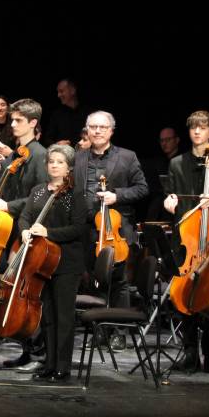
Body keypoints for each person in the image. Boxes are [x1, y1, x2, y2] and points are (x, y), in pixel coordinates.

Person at [165, 110, 209, 373]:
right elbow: (172, 196)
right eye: (193, 127)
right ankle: (189, 351)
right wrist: (169, 202)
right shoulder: (176, 163)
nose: (197, 132)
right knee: (184, 294)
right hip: (186, 237)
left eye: (203, 127)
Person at [0, 99, 48, 369]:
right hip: (13, 228)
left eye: (18, 120)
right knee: (14, 290)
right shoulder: (15, 156)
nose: (11, 124)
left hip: (31, 230)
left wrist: (7, 205)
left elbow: (40, 196)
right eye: (11, 120)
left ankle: (39, 352)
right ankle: (26, 348)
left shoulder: (40, 155)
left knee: (31, 292)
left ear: (33, 123)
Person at [18, 144, 88, 382]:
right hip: (41, 262)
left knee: (63, 316)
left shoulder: (75, 194)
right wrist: (25, 231)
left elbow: (78, 229)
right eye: (51, 161)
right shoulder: (38, 191)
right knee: (47, 315)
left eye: (60, 162)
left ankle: (62, 366)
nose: (54, 165)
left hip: (67, 263)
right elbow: (25, 216)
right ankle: (48, 364)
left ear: (68, 168)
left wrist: (48, 232)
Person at [75, 111, 148, 307]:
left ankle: (118, 333)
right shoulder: (77, 158)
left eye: (103, 127)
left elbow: (142, 188)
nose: (97, 131)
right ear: (87, 130)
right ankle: (98, 332)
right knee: (90, 280)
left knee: (118, 281)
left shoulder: (127, 156)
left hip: (116, 230)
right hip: (86, 229)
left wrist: (117, 196)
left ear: (111, 131)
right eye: (93, 127)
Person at [43, 79, 86, 146]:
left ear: (73, 91)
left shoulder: (88, 112)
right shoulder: (56, 114)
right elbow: (47, 139)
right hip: (64, 154)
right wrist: (56, 145)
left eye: (61, 91)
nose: (58, 95)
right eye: (58, 92)